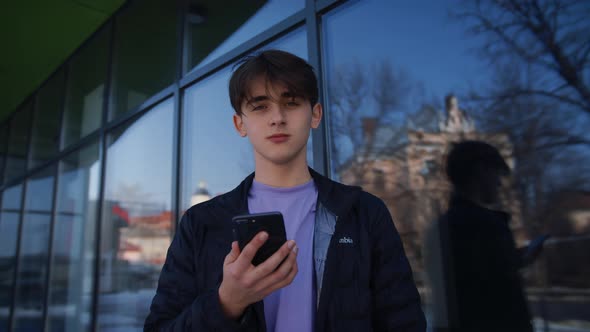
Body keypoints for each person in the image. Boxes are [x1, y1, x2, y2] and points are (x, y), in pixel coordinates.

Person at [144, 50, 426, 331]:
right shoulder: (200, 223)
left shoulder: (364, 213)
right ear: (239, 123)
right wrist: (226, 303)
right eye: (260, 106)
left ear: (315, 115)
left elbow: (405, 323)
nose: (277, 117)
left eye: (291, 103)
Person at [424, 140, 543, 332]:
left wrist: (515, 259)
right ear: (481, 171)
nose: (499, 182)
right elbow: (500, 294)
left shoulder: (436, 230)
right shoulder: (487, 224)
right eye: (497, 173)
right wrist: (519, 260)